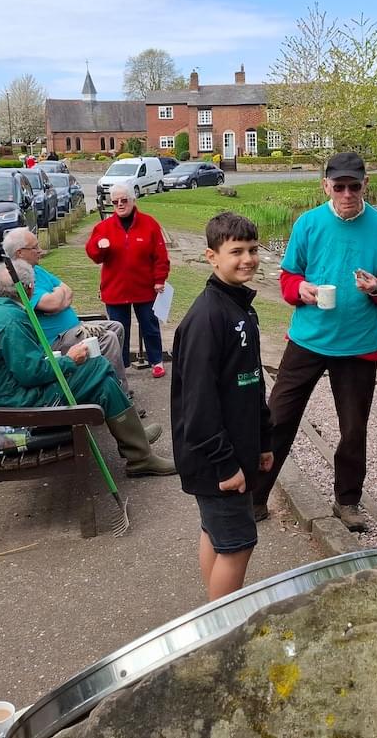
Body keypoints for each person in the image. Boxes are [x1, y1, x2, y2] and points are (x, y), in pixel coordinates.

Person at [251, 151, 377, 531]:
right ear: (326, 186)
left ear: (365, 184)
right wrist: (299, 289)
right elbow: (288, 277)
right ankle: (254, 497)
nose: (347, 193)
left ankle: (347, 501)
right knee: (279, 418)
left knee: (354, 428)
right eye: (340, 186)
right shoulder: (308, 224)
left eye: (355, 186)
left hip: (358, 344)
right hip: (308, 338)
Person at [0, 263, 175, 477]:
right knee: (98, 366)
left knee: (101, 376)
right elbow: (31, 373)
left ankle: (137, 449)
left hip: (16, 397)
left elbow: (25, 366)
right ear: (28, 288)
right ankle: (138, 449)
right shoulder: (12, 322)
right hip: (23, 406)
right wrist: (69, 360)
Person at [171, 212, 274, 600]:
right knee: (238, 543)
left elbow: (252, 381)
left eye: (252, 249)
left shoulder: (241, 308)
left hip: (238, 449)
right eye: (236, 252)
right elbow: (197, 404)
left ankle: (214, 609)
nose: (247, 259)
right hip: (216, 460)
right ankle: (222, 628)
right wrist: (226, 464)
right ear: (212, 257)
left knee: (215, 533)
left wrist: (263, 440)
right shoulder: (208, 317)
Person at [1, 228, 132, 391]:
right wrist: (58, 299)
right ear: (20, 252)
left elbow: (68, 290)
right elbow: (52, 303)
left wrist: (59, 300)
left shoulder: (37, 270)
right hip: (55, 341)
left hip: (73, 329)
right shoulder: (19, 278)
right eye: (35, 247)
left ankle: (107, 382)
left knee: (116, 327)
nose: (40, 250)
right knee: (108, 338)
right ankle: (121, 396)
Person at [85, 184, 170, 378]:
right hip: (115, 289)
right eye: (115, 202)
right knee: (117, 330)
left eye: (124, 200)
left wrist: (160, 279)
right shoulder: (103, 227)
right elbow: (94, 255)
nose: (120, 204)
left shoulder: (149, 224)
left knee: (150, 325)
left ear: (133, 200)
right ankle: (121, 365)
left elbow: (160, 255)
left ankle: (156, 360)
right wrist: (100, 247)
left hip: (145, 287)